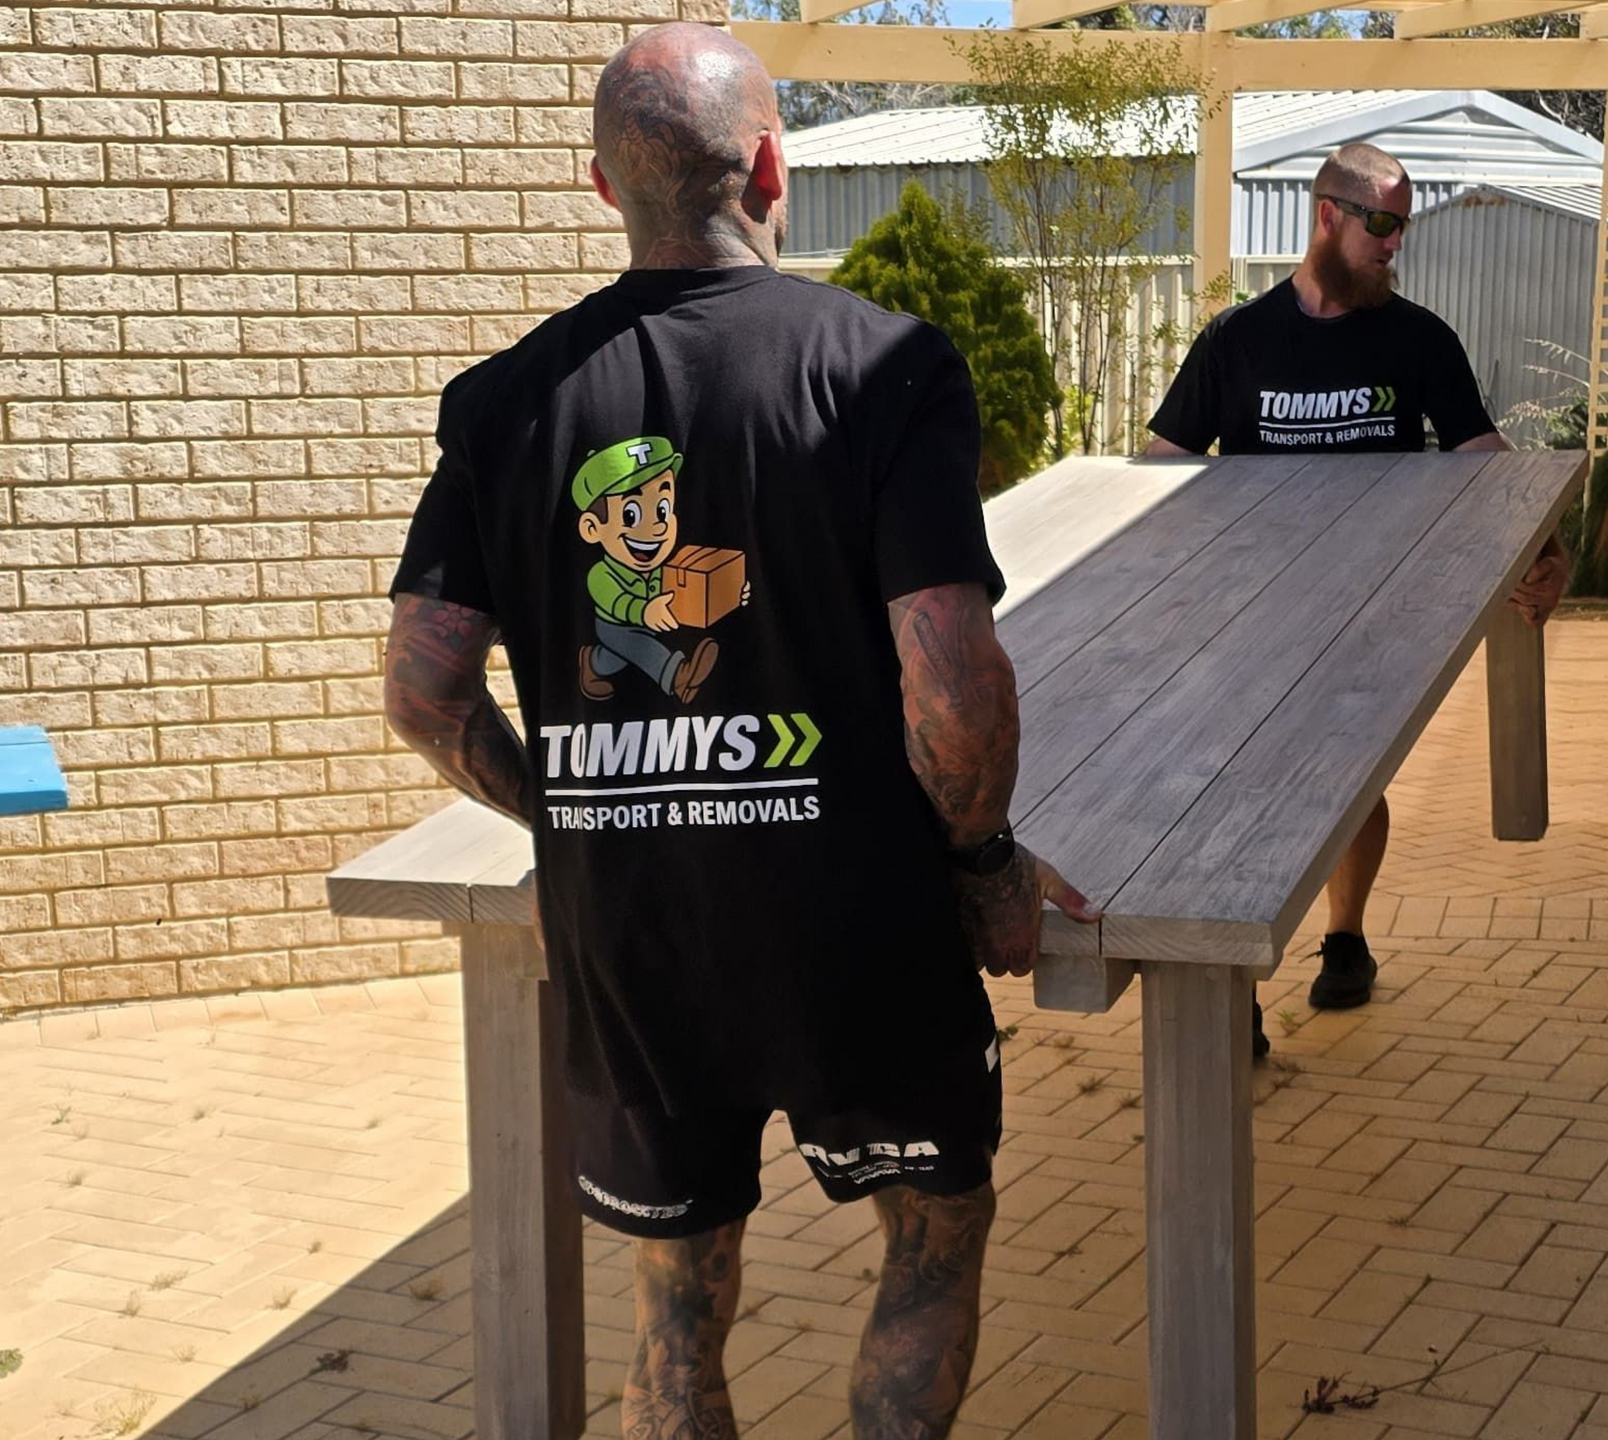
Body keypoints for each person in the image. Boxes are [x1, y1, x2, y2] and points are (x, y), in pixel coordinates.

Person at [381, 25, 1095, 1440]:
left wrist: (571, 812)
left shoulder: (503, 404)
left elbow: (425, 690)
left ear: (602, 189)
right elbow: (950, 680)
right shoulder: (883, 366)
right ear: (770, 164)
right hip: (856, 932)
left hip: (634, 939)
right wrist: (988, 863)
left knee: (676, 1311)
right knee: (932, 1243)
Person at [1145, 142, 1569, 1047]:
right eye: (1381, 223)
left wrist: (1543, 543)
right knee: (1241, 798)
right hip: (1251, 619)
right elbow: (1160, 472)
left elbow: (1480, 460)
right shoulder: (1236, 341)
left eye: (1402, 226)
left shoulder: (1420, 341)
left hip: (1372, 615)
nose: (1394, 244)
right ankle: (1233, 991)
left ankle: (1345, 936)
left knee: (1348, 788)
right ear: (1327, 214)